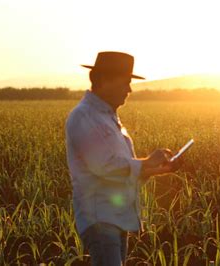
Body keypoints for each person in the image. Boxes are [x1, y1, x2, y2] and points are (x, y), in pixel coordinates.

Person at [65, 51, 181, 265]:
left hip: (117, 219)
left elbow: (123, 171)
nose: (129, 89)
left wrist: (156, 169)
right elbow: (105, 166)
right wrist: (146, 162)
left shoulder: (109, 118)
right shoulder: (83, 117)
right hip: (100, 219)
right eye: (125, 82)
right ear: (103, 80)